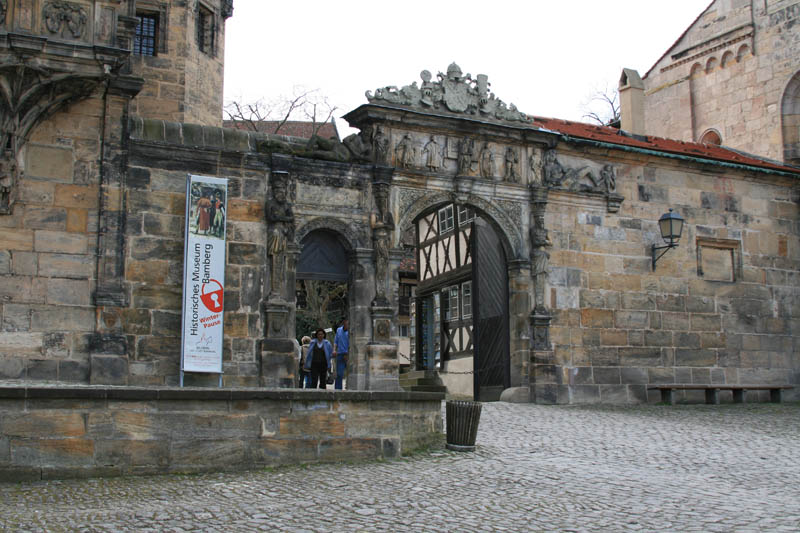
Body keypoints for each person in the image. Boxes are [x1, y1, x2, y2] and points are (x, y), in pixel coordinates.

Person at [333, 319, 349, 390]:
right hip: (340, 354)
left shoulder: (351, 332)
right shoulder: (339, 330)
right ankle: (338, 390)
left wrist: (347, 353)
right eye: (345, 322)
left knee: (350, 373)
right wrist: (334, 350)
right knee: (339, 374)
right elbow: (336, 341)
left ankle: (348, 387)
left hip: (349, 355)